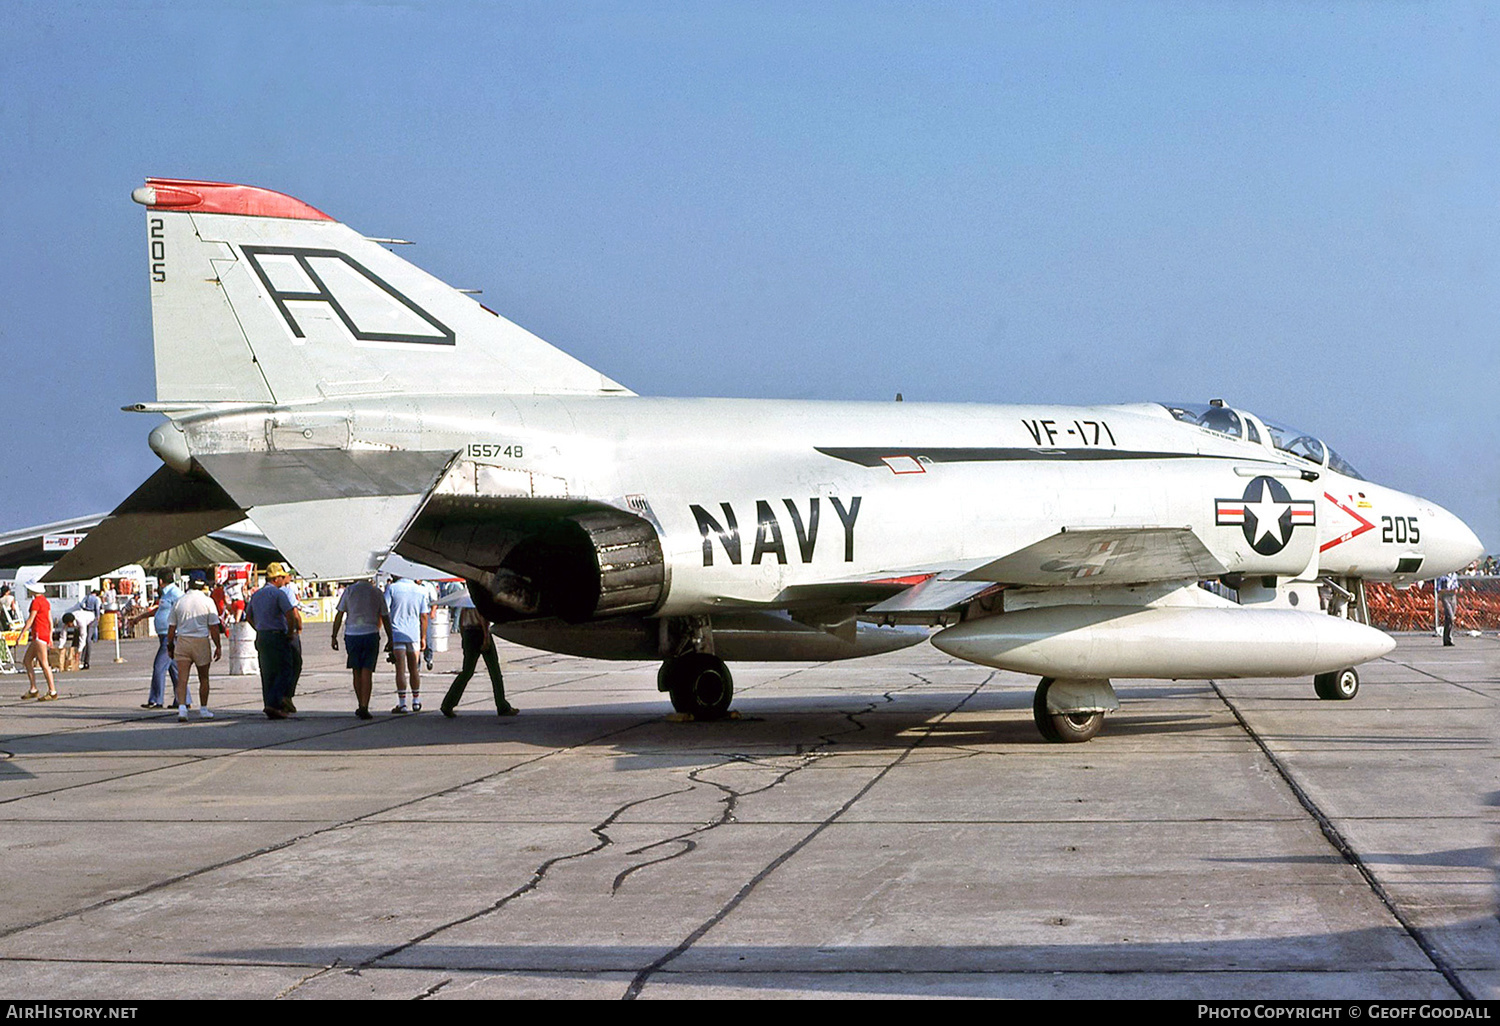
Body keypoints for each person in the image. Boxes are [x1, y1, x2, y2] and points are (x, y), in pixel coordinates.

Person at [245, 563, 301, 719]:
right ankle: (275, 703)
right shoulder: (279, 594)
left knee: (267, 672)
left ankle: (269, 704)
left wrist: (259, 628)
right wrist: (290, 632)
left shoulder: (256, 595)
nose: (284, 580)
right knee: (285, 670)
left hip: (262, 636)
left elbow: (248, 616)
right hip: (277, 635)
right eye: (282, 577)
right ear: (276, 579)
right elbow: (290, 614)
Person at [440, 605, 517, 718]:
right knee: (494, 671)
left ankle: (448, 704)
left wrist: (464, 637)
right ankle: (502, 705)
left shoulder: (464, 602)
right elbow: (483, 618)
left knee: (467, 671)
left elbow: (461, 621)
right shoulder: (477, 598)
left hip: (468, 633)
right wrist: (486, 637)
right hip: (480, 632)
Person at [167, 571, 224, 721]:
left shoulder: (179, 601)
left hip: (183, 640)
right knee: (204, 678)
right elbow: (214, 627)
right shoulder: (207, 601)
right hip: (201, 641)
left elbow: (171, 628)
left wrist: (169, 646)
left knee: (182, 679)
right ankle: (203, 709)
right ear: (204, 584)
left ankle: (182, 709)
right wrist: (218, 646)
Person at [331, 577, 391, 719]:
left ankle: (360, 704)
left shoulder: (349, 591)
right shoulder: (376, 592)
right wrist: (390, 638)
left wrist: (333, 635)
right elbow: (385, 616)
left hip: (352, 634)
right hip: (371, 633)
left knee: (356, 670)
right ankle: (365, 704)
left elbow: (339, 614)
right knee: (367, 670)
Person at [132, 573, 182, 709]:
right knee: (174, 669)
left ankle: (156, 700)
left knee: (159, 666)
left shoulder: (175, 593)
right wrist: (141, 617)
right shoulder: (166, 594)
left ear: (160, 581)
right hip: (164, 635)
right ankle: (183, 700)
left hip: (170, 635)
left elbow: (182, 610)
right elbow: (161, 610)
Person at [383, 575, 430, 713]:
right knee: (414, 669)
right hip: (413, 634)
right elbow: (424, 616)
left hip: (397, 633)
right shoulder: (420, 590)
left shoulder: (392, 588)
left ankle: (402, 703)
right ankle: (416, 701)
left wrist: (388, 635)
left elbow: (385, 610)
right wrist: (423, 637)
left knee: (400, 669)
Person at [20, 582, 57, 701]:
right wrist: (50, 636)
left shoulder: (36, 602)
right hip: (44, 633)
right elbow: (50, 620)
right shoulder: (45, 601)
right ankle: (33, 689)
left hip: (39, 634)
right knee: (27, 660)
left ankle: (52, 691)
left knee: (44, 663)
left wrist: (21, 634)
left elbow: (30, 620)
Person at [279, 574, 304, 713]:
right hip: (289, 631)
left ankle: (279, 697)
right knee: (296, 664)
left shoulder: (265, 592)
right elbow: (294, 613)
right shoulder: (287, 591)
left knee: (280, 665)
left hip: (274, 631)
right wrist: (298, 626)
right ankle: (287, 695)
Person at [1436, 571, 1461, 646]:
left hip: (1452, 596)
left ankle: (1447, 638)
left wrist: (1456, 589)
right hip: (1445, 595)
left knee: (1449, 619)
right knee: (1450, 617)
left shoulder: (1454, 575)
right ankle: (1448, 637)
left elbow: (1456, 585)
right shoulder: (1442, 576)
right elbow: (1439, 588)